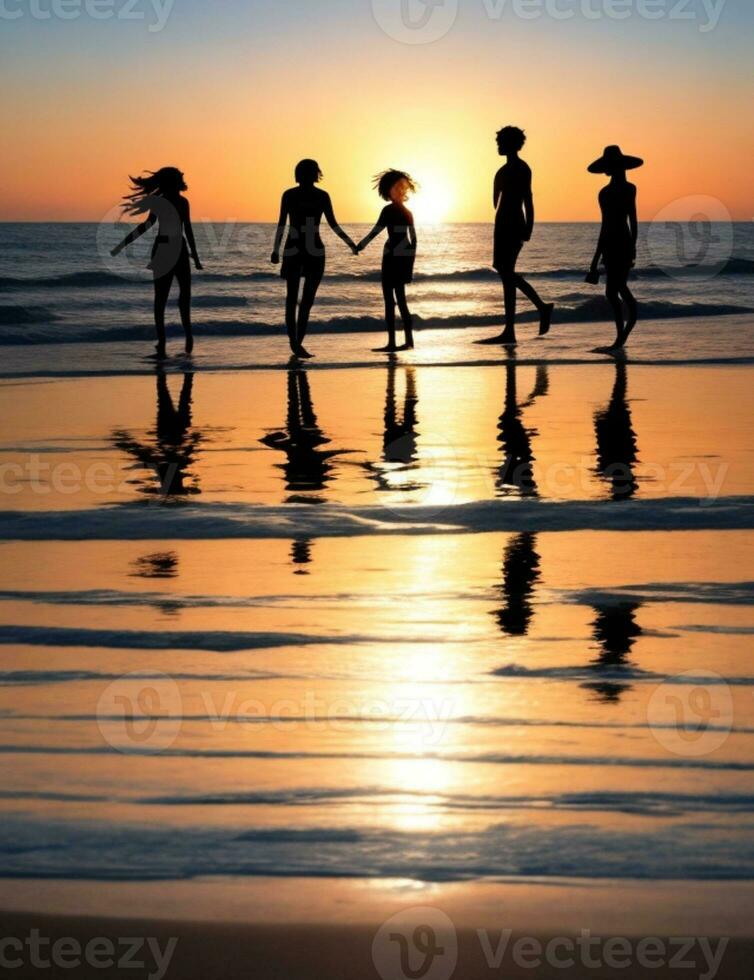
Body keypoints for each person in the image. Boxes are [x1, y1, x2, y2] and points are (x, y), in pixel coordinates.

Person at [111, 167, 202, 359]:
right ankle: (172, 338)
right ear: (172, 182)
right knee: (170, 298)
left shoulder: (177, 202)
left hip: (174, 250)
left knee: (175, 297)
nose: (183, 180)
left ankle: (179, 337)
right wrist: (124, 243)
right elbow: (149, 225)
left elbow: (186, 228)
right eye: (180, 177)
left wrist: (195, 255)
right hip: (171, 250)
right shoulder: (169, 202)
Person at [271, 160, 357, 358]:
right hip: (297, 249)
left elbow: (333, 223)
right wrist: (275, 250)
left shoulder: (320, 196)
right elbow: (282, 223)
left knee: (304, 300)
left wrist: (349, 243)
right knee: (293, 299)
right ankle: (294, 343)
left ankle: (297, 342)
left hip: (311, 250)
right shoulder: (290, 195)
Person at [478, 127, 553, 347]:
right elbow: (496, 201)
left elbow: (527, 199)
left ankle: (540, 308)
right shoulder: (503, 170)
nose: (498, 147)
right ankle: (510, 329)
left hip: (512, 224)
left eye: (501, 143)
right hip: (502, 224)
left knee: (506, 272)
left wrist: (529, 226)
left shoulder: (520, 168)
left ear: (511, 144)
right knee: (505, 273)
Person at [586, 145, 644, 352]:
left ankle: (621, 337)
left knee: (615, 290)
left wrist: (633, 247)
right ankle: (621, 336)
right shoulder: (608, 192)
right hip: (616, 243)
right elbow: (613, 224)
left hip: (620, 243)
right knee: (614, 291)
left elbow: (632, 220)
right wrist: (595, 260)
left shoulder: (624, 190)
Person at [357, 169, 418, 353]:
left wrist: (361, 245)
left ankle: (394, 342)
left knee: (390, 300)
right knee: (400, 300)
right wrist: (410, 264)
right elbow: (413, 240)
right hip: (402, 254)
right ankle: (408, 341)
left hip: (392, 255)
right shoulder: (407, 212)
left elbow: (377, 230)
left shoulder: (390, 210)